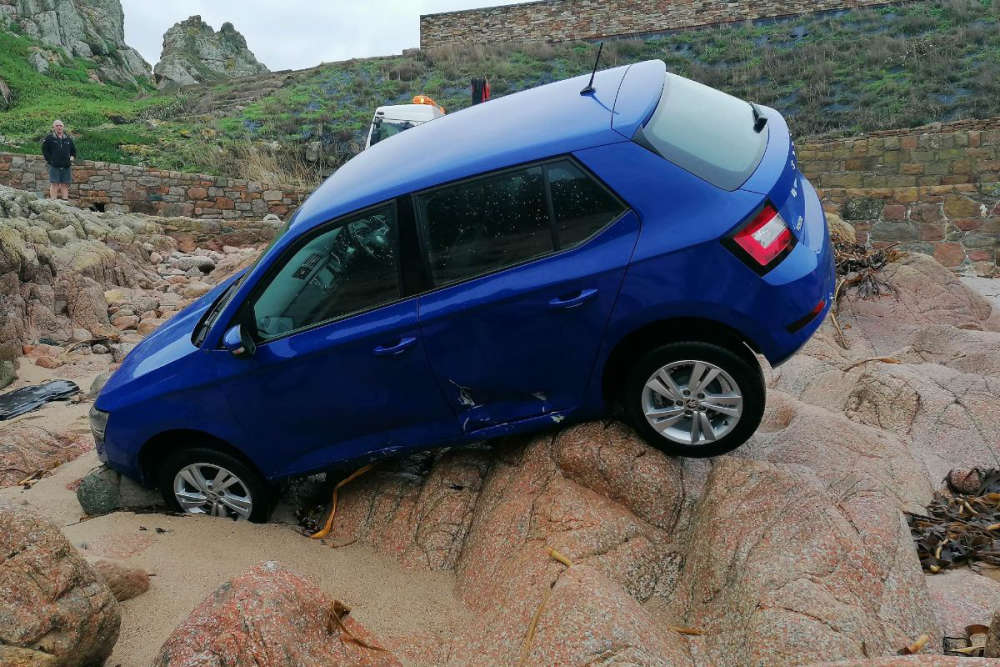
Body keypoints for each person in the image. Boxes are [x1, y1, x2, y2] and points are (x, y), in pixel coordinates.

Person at [41, 120, 76, 201]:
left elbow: (73, 151)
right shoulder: (49, 138)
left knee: (65, 184)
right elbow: (44, 150)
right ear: (54, 127)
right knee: (54, 183)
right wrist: (50, 161)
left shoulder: (68, 139)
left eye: (60, 125)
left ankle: (65, 201)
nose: (59, 127)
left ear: (63, 127)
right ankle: (53, 201)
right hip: (54, 165)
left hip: (66, 165)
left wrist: (72, 158)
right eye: (57, 125)